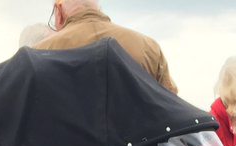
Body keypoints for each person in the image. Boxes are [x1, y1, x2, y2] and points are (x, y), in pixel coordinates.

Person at [37, 0, 177, 93]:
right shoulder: (149, 48)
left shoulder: (39, 53)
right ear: (99, 9)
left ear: (58, 12)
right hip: (141, 137)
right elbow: (171, 107)